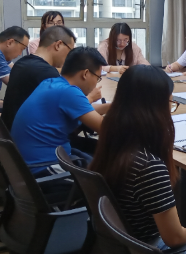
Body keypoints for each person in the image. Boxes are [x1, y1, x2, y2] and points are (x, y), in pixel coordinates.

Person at [89, 66, 186, 254]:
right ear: (154, 109)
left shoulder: (114, 143)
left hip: (124, 250)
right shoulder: (148, 166)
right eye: (169, 104)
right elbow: (174, 238)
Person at [11, 47, 111, 176]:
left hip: (29, 163)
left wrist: (113, 106)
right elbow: (107, 130)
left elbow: (84, 111)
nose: (96, 83)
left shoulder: (51, 82)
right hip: (44, 169)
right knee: (110, 168)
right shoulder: (69, 92)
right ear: (85, 74)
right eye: (98, 78)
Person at [1, 26, 79, 131]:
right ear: (58, 45)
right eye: (70, 51)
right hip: (29, 135)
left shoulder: (22, 63)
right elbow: (68, 110)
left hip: (10, 132)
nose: (69, 57)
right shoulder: (47, 73)